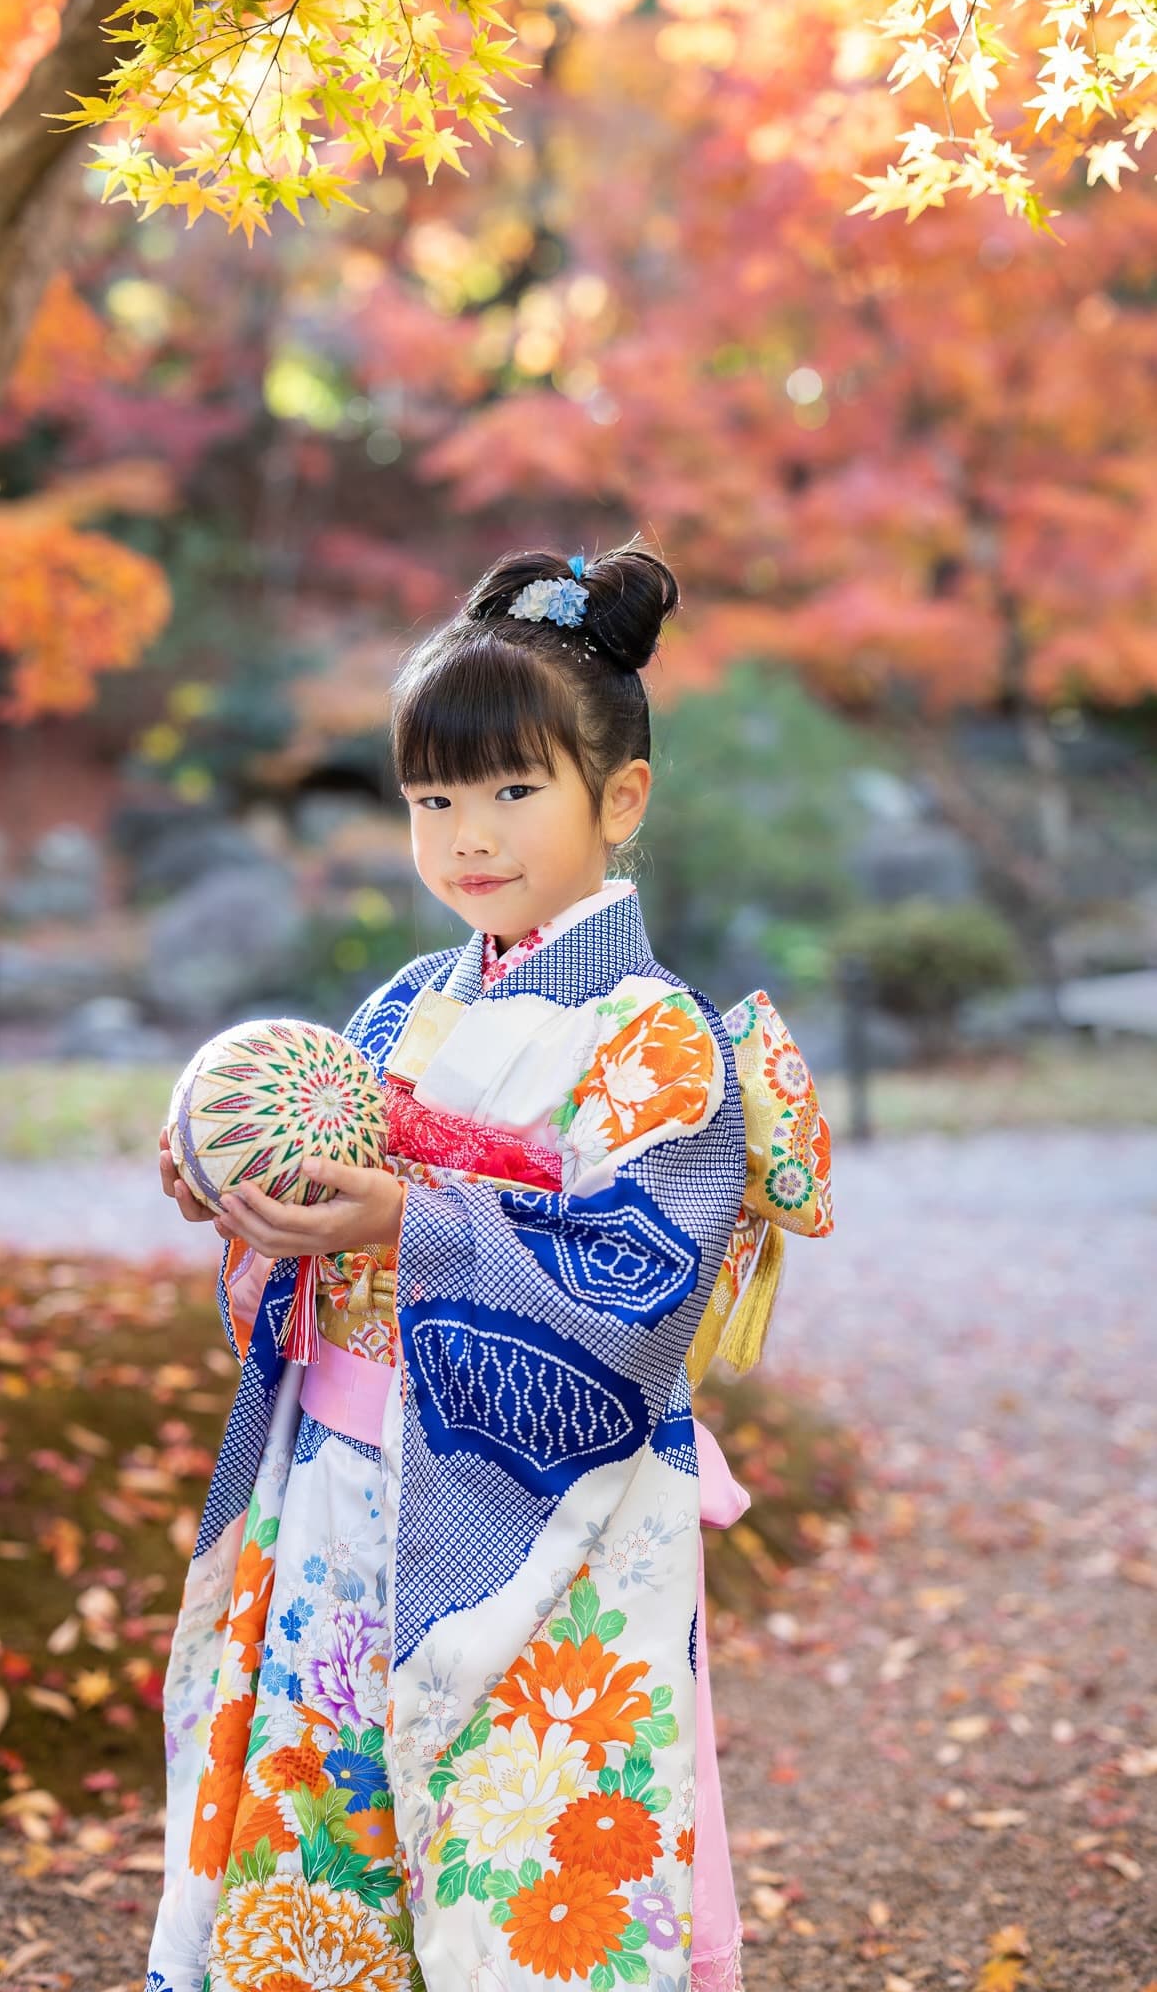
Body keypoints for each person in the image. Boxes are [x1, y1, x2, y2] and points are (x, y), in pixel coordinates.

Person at [145, 539, 834, 1992]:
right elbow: (315, 1238)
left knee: (514, 1871)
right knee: (320, 1861)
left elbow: (638, 1303)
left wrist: (412, 1224)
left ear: (620, 799)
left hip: (539, 1515)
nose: (468, 833)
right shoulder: (401, 1006)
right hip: (336, 1490)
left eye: (513, 790)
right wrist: (249, 1202)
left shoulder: (661, 1038)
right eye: (433, 798)